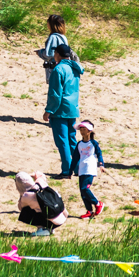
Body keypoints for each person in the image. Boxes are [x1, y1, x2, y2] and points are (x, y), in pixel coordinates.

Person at [43, 43, 82, 177]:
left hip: (60, 110)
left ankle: (66, 170)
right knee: (72, 139)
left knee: (62, 141)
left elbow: (55, 94)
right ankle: (77, 168)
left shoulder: (58, 70)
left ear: (58, 54)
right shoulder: (75, 68)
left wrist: (49, 110)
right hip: (72, 108)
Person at [15, 170, 66, 236]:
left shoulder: (26, 196)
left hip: (53, 219)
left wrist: (21, 194)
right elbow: (40, 174)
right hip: (62, 215)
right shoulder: (40, 182)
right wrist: (29, 175)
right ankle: (49, 228)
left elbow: (20, 207)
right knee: (42, 207)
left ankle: (41, 229)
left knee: (25, 211)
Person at [73, 118, 106, 219]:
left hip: (90, 168)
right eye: (81, 129)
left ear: (89, 131)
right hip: (81, 169)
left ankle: (98, 203)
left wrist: (101, 165)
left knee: (85, 188)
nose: (82, 132)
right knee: (82, 192)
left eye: (84, 129)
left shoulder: (94, 143)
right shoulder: (79, 144)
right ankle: (89, 211)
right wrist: (69, 171)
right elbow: (75, 158)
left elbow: (99, 154)